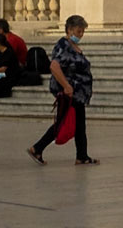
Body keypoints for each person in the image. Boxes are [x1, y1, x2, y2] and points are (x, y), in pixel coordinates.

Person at [28, 14, 98, 167]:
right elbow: (54, 65)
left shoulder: (72, 46)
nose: (81, 35)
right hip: (69, 92)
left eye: (82, 31)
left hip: (78, 93)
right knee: (63, 123)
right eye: (79, 31)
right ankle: (37, 148)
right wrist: (67, 86)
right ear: (70, 30)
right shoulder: (63, 45)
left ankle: (82, 155)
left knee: (79, 124)